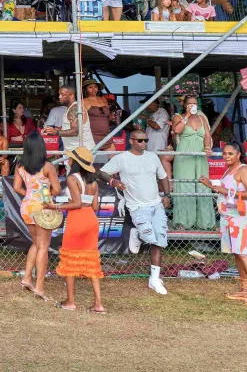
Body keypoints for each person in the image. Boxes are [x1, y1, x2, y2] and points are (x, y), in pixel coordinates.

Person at [100, 127, 171, 295]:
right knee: (148, 236)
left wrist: (167, 195)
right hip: (137, 206)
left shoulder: (153, 157)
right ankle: (138, 235)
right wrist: (113, 182)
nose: (144, 143)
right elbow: (102, 172)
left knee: (159, 240)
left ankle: (154, 279)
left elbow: (163, 177)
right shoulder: (122, 158)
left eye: (146, 140)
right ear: (131, 141)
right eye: (140, 140)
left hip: (156, 204)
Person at [200, 141, 247, 307]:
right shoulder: (229, 170)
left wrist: (224, 190)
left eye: (230, 154)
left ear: (238, 155)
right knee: (237, 253)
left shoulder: (244, 169)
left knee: (244, 253)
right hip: (229, 216)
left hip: (242, 216)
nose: (226, 157)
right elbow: (227, 191)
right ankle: (245, 289)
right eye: (224, 153)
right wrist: (210, 185)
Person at [47, 147, 105, 313]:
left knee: (69, 259)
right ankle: (98, 304)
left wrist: (55, 206)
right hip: (90, 220)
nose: (68, 160)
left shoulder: (72, 179)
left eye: (70, 158)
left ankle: (70, 301)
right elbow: (94, 207)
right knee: (92, 261)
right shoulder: (93, 182)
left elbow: (76, 204)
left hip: (77, 219)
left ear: (75, 162)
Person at [14, 131, 61, 299]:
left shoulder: (20, 165)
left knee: (35, 243)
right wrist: (45, 193)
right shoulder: (47, 166)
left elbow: (16, 188)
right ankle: (39, 287)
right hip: (43, 207)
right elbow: (57, 189)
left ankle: (27, 278)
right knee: (43, 246)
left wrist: (31, 194)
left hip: (26, 206)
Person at [171, 94, 216, 231]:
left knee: (203, 185)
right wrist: (188, 116)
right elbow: (176, 130)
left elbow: (207, 136)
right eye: (190, 104)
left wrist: (207, 147)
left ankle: (206, 222)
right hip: (184, 156)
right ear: (185, 105)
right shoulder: (178, 117)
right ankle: (183, 222)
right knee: (185, 185)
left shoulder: (202, 118)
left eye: (195, 104)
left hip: (200, 156)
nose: (193, 106)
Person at [81, 81, 113, 150]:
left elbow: (107, 117)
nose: (93, 89)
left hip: (106, 134)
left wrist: (113, 116)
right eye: (90, 87)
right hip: (91, 135)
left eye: (95, 86)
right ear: (86, 90)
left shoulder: (103, 99)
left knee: (112, 159)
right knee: (91, 159)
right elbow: (82, 120)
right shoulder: (83, 101)